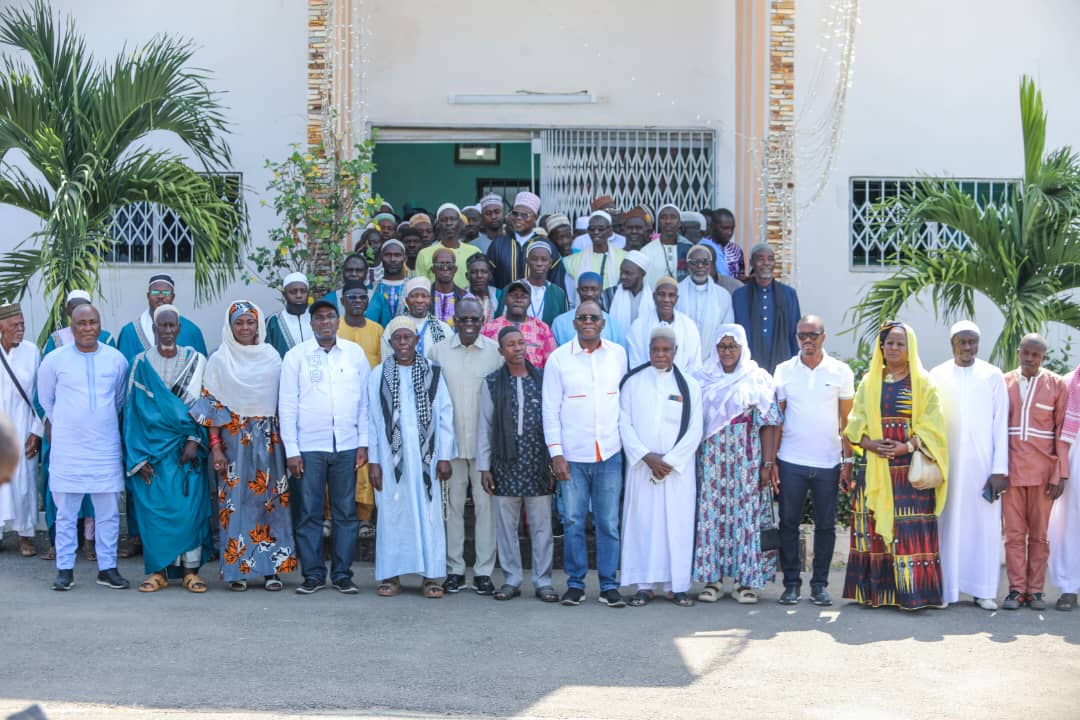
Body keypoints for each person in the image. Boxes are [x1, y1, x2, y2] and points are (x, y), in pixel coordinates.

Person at [843, 322, 949, 610]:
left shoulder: (923, 383)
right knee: (874, 530)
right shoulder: (869, 381)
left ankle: (915, 595)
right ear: (882, 346)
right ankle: (876, 595)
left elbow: (934, 425)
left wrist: (908, 446)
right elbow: (855, 422)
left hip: (908, 472)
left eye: (900, 343)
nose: (893, 348)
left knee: (909, 532)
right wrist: (869, 445)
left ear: (910, 347)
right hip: (875, 469)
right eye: (889, 343)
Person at [192, 301, 296, 592]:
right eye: (239, 323)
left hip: (269, 441)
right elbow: (212, 407)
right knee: (235, 505)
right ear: (230, 326)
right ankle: (237, 570)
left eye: (250, 322)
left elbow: (284, 402)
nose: (245, 328)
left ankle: (272, 570)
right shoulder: (219, 359)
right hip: (233, 441)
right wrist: (215, 448)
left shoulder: (272, 357)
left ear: (258, 325)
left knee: (270, 504)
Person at [279, 299, 370, 595]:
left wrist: (363, 443)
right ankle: (314, 574)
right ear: (311, 323)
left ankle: (343, 574)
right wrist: (291, 449)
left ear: (338, 321)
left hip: (346, 445)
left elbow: (364, 403)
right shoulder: (296, 356)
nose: (325, 322)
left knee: (345, 512)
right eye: (319, 318)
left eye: (330, 317)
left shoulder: (354, 355)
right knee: (309, 513)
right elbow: (287, 405)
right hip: (309, 447)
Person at [37, 303, 130, 591]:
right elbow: (46, 400)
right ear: (71, 326)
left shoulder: (116, 360)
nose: (88, 328)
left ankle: (107, 568)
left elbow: (119, 400)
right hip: (69, 448)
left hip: (104, 447)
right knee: (66, 512)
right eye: (81, 323)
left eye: (93, 322)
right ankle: (65, 569)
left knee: (108, 512)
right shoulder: (54, 360)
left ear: (100, 324)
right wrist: (69, 423)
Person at [115, 273, 207, 559]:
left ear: (179, 328)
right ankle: (146, 549)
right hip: (150, 441)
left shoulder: (193, 339)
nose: (161, 296)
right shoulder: (133, 342)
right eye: (156, 291)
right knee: (151, 499)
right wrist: (137, 452)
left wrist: (195, 437)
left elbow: (203, 394)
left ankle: (190, 566)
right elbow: (132, 407)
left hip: (185, 443)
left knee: (187, 502)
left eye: (166, 292)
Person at [542, 300, 628, 607]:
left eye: (594, 317)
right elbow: (550, 410)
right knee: (574, 521)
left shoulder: (618, 355)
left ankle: (608, 585)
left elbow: (625, 402)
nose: (588, 321)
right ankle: (575, 584)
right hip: (572, 456)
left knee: (608, 523)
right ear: (574, 322)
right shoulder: (558, 359)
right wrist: (556, 454)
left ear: (603, 323)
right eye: (583, 317)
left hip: (609, 453)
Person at [123, 305, 211, 594]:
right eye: (163, 326)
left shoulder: (196, 360)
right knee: (155, 513)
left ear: (179, 328)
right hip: (152, 453)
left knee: (189, 511)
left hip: (185, 451)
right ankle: (157, 571)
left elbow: (206, 404)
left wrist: (194, 441)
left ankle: (191, 572)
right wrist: (137, 458)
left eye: (172, 326)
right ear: (154, 329)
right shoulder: (140, 363)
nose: (168, 331)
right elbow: (132, 414)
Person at [367, 316, 455, 598]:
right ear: (390, 342)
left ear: (417, 340)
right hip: (389, 459)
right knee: (392, 515)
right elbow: (371, 420)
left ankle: (431, 577)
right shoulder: (378, 373)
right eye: (398, 338)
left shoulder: (433, 371)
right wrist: (374, 461)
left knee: (428, 515)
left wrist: (444, 456)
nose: (403, 343)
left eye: (408, 337)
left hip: (426, 460)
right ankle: (391, 576)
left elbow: (445, 415)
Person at [692, 324, 781, 604]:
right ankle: (714, 580)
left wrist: (767, 463)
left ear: (742, 348)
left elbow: (769, 423)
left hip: (747, 461)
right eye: (722, 346)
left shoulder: (758, 379)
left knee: (747, 520)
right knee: (712, 520)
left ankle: (746, 582)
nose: (727, 352)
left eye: (732, 346)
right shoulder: (702, 378)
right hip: (712, 464)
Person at [772, 315, 855, 607]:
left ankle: (819, 585)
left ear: (824, 336)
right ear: (796, 337)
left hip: (828, 462)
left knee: (825, 526)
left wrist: (848, 462)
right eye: (802, 335)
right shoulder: (783, 371)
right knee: (788, 524)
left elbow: (848, 422)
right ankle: (791, 584)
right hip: (791, 461)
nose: (807, 340)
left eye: (813, 335)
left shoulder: (841, 371)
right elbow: (777, 421)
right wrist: (771, 463)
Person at [619, 325, 703, 607]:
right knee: (643, 524)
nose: (660, 354)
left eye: (666, 350)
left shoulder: (689, 385)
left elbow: (695, 429)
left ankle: (676, 585)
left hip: (677, 472)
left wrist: (670, 461)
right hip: (643, 468)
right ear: (648, 350)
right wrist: (646, 456)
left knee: (677, 526)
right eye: (655, 349)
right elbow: (623, 423)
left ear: (675, 352)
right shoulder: (632, 382)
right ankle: (644, 585)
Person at [928, 321, 1008, 610]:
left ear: (978, 343)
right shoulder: (937, 374)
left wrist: (1000, 469)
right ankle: (946, 590)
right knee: (947, 527)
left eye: (972, 342)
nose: (967, 348)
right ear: (952, 344)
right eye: (962, 342)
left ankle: (983, 589)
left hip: (983, 468)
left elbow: (1001, 424)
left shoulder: (992, 375)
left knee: (983, 528)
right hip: (947, 467)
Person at [428, 298, 505, 595]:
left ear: (483, 320)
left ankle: (484, 571)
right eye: (463, 320)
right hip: (450, 448)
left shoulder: (495, 353)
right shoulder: (438, 352)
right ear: (454, 320)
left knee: (486, 509)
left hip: (485, 449)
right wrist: (439, 450)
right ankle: (455, 569)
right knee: (452, 509)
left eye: (474, 320)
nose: (469, 325)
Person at [477, 326, 557, 602]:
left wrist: (553, 461)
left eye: (521, 343)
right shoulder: (491, 383)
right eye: (510, 344)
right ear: (501, 351)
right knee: (506, 527)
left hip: (537, 463)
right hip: (505, 463)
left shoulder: (543, 380)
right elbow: (485, 427)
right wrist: (485, 467)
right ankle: (512, 578)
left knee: (541, 527)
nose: (517, 348)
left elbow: (553, 422)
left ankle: (543, 580)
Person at [39, 290, 111, 562]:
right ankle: (58, 545)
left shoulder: (107, 344)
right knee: (60, 490)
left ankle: (92, 544)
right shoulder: (55, 342)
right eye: (75, 309)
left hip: (98, 436)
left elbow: (115, 396)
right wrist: (50, 421)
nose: (86, 324)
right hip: (63, 432)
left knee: (97, 495)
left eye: (88, 313)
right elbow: (44, 393)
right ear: (69, 314)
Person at [1001, 333, 1068, 611]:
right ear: (1018, 352)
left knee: (1040, 535)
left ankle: (1036, 591)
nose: (1030, 358)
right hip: (1011, 471)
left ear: (1043, 357)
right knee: (1014, 534)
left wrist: (1059, 473)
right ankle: (1016, 590)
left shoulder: (1056, 385)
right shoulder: (1004, 383)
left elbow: (1062, 431)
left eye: (1036, 355)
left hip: (1043, 474)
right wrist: (997, 470)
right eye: (1026, 353)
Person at [337, 280, 383, 539]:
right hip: (338, 405)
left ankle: (364, 517)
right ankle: (332, 515)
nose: (357, 301)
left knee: (365, 460)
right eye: (351, 296)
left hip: (369, 405)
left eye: (362, 297)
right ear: (342, 301)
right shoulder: (335, 327)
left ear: (367, 302)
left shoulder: (378, 330)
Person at [0, 303, 42, 557]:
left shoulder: (31, 351)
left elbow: (41, 395)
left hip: (24, 426)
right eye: (15, 325)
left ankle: (25, 536)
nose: (20, 329)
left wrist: (36, 432)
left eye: (22, 324)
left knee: (24, 483)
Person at [731, 244, 800, 374]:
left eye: (770, 259)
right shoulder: (739, 296)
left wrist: (797, 365)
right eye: (760, 258)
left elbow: (795, 333)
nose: (766, 263)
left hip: (783, 366)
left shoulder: (789, 294)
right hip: (748, 367)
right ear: (752, 262)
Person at [1050, 361, 1080, 611]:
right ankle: (1069, 588)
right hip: (1074, 459)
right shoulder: (1069, 381)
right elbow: (1058, 429)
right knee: (1068, 523)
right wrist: (1061, 469)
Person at [626, 277, 702, 374]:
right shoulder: (638, 326)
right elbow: (635, 364)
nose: (666, 299)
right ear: (654, 296)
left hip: (681, 385)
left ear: (677, 299)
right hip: (646, 384)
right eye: (662, 294)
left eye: (671, 295)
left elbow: (694, 366)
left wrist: (679, 383)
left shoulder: (689, 326)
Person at [481, 280, 557, 368]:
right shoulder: (490, 328)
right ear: (505, 300)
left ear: (530, 302)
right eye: (514, 295)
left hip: (535, 380)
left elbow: (552, 363)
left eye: (523, 296)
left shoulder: (543, 329)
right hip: (497, 380)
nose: (518, 300)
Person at [677, 245, 734, 361]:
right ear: (688, 265)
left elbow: (726, 331)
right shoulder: (676, 292)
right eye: (694, 262)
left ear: (711, 265)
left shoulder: (723, 296)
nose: (700, 266)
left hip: (713, 360)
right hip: (680, 358)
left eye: (705, 262)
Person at [495, 239, 567, 327]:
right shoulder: (511, 288)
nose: (539, 263)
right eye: (534, 259)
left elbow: (563, 324)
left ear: (550, 263)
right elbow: (499, 322)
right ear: (527, 261)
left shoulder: (558, 293)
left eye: (544, 259)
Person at [379, 277, 451, 360]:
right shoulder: (393, 327)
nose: (419, 300)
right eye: (414, 296)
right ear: (406, 301)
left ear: (430, 300)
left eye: (424, 296)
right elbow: (386, 359)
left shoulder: (444, 329)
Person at [551, 272, 624, 347]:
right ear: (578, 291)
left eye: (594, 289)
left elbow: (620, 354)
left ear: (601, 291)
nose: (589, 294)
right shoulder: (560, 323)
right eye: (584, 289)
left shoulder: (613, 324)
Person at [488, 191, 542, 288]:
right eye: (515, 214)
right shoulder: (498, 245)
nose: (518, 218)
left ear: (535, 218)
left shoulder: (545, 245)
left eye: (525, 215)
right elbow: (490, 282)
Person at [564, 210, 626, 290]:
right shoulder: (573, 261)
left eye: (601, 229)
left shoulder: (624, 257)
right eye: (592, 229)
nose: (596, 232)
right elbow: (571, 295)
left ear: (610, 231)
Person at [415, 216, 480, 289]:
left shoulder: (474, 251)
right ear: (438, 225)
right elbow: (420, 285)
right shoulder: (424, 253)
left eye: (453, 219)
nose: (449, 223)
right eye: (444, 220)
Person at [601, 250, 654, 332]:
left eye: (628, 273)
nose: (622, 276)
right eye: (621, 271)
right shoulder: (608, 295)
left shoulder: (654, 298)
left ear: (642, 274)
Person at [642, 204, 692, 289]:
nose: (668, 221)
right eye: (663, 217)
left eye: (673, 217)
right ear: (658, 222)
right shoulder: (646, 251)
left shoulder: (689, 249)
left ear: (680, 223)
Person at [265, 272, 311, 358]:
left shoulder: (317, 318)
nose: (299, 295)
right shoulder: (273, 321)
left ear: (308, 293)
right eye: (293, 292)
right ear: (284, 294)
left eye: (303, 291)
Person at [366, 238, 409, 326]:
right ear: (381, 258)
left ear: (405, 258)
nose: (393, 259)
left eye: (397, 255)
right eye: (388, 255)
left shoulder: (412, 287)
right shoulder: (371, 287)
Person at [320, 253, 369, 317]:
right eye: (349, 270)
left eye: (359, 270)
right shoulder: (328, 300)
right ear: (343, 272)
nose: (354, 274)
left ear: (366, 274)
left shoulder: (377, 299)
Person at [427, 248, 467, 326]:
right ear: (433, 269)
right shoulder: (424, 297)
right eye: (440, 265)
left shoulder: (465, 297)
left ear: (455, 269)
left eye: (449, 265)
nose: (445, 268)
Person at [702, 208, 744, 279]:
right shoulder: (702, 247)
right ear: (712, 226)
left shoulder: (736, 250)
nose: (729, 232)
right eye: (725, 228)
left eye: (732, 228)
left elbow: (741, 273)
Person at [465, 254, 500, 324]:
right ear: (467, 276)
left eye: (484, 272)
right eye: (473, 272)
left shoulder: (499, 296)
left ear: (490, 275)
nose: (479, 276)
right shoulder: (460, 296)